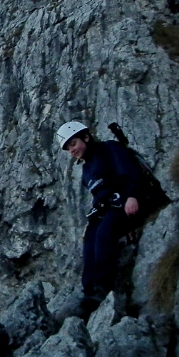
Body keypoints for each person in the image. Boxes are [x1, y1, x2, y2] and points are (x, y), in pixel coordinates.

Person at [57, 120, 145, 318]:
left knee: (105, 234)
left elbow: (130, 171)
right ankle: (89, 291)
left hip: (123, 202)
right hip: (104, 209)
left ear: (86, 137)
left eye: (73, 144)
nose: (71, 150)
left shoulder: (109, 149)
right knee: (90, 241)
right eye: (68, 148)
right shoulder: (87, 170)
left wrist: (132, 196)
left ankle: (102, 288)